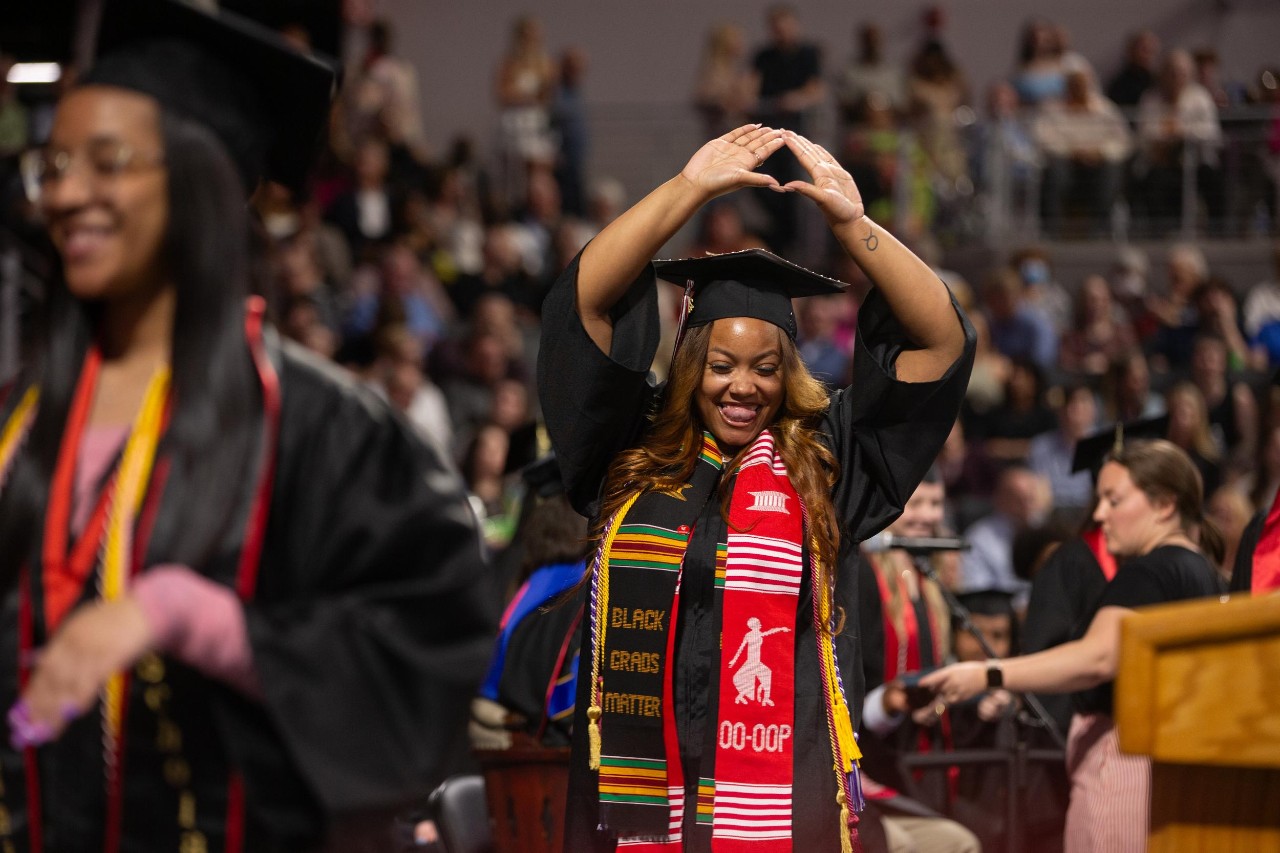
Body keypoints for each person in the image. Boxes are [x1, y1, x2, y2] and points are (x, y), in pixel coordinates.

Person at [0, 1, 493, 849]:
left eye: (107, 161)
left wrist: (190, 615)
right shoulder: (18, 420)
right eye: (55, 165)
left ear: (204, 180)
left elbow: (430, 648)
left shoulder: (323, 428)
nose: (68, 193)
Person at [538, 124, 974, 851]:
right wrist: (686, 192)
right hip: (641, 804)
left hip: (784, 804)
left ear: (789, 370)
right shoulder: (634, 449)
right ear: (690, 364)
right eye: (721, 365)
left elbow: (941, 342)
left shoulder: (823, 459)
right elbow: (578, 305)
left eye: (765, 367)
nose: (743, 386)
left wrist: (854, 226)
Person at [923, 439, 1226, 852]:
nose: (1099, 514)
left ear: (1164, 505)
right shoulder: (1199, 569)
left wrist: (988, 673)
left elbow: (1097, 657)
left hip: (1123, 767)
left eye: (1113, 500)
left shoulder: (1152, 571)